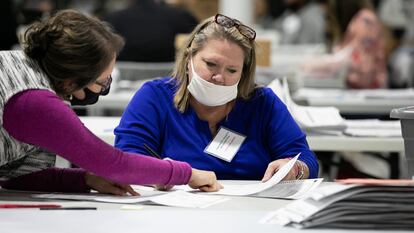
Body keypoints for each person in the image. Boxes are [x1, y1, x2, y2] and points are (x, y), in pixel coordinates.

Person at [0, 10, 221, 195]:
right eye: (102, 81)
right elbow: (114, 163)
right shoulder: (34, 101)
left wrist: (86, 179)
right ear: (71, 80)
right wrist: (187, 173)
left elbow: (17, 177)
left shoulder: (26, 71)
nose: (105, 87)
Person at [114, 14, 319, 181]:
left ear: (243, 73)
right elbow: (128, 160)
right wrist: (167, 175)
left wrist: (295, 169)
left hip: (250, 213)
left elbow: (306, 159)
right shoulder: (155, 97)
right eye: (211, 64)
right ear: (188, 59)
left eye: (232, 70)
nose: (219, 77)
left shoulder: (262, 103)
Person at [104, 0, 198, 62]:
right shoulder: (178, 15)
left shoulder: (113, 17)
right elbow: (200, 33)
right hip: (165, 75)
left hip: (124, 77)